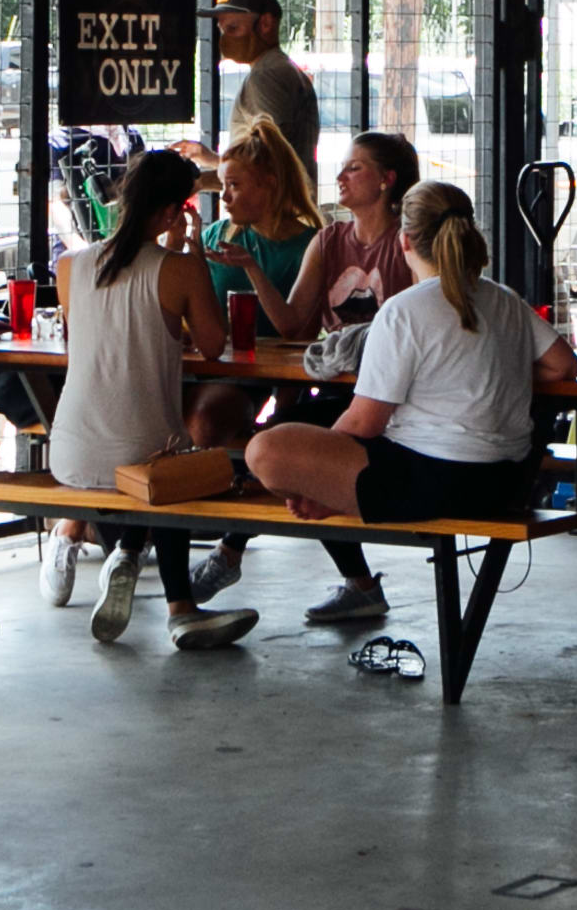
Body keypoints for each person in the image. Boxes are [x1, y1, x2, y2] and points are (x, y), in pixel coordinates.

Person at [245, 182, 573, 609]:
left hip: (433, 482)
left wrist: (321, 480)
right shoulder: (503, 298)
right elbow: (565, 365)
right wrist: (487, 364)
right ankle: (339, 507)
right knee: (312, 436)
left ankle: (337, 511)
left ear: (404, 240)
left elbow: (364, 424)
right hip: (506, 481)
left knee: (265, 450)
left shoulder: (404, 310)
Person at [172, 128, 420, 624]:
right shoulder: (330, 239)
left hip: (390, 398)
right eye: (343, 167)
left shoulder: (408, 245)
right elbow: (291, 324)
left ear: (386, 181)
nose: (340, 176)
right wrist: (248, 268)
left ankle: (230, 553)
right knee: (292, 447)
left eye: (354, 168)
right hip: (337, 389)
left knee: (303, 450)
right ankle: (353, 583)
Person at [49, 147, 252, 651]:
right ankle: (180, 609)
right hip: (142, 458)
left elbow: (91, 337)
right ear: (169, 213)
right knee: (173, 458)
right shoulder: (177, 270)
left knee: (158, 453)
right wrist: (193, 254)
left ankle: (125, 556)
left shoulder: (70, 265)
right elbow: (212, 343)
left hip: (70, 452)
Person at [180, 112, 323, 468]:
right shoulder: (217, 235)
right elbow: (194, 312)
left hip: (252, 376)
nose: (224, 197)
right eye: (222, 186)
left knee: (205, 418)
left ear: (269, 185)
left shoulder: (308, 245)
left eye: (235, 186)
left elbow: (301, 335)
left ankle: (196, 512)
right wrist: (189, 255)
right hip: (204, 364)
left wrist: (285, 413)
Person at [188, 0, 316, 169]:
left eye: (233, 29)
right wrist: (203, 180)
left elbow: (268, 163)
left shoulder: (265, 76)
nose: (225, 39)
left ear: (265, 23)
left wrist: (214, 161)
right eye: (222, 30)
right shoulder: (285, 69)